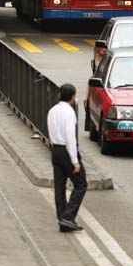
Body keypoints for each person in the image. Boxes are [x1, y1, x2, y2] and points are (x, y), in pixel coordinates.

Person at [47, 83, 87, 232]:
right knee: (81, 184)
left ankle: (62, 218)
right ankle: (68, 216)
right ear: (72, 97)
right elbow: (70, 138)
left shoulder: (52, 111)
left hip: (55, 150)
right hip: (65, 151)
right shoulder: (69, 113)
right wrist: (75, 161)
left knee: (59, 186)